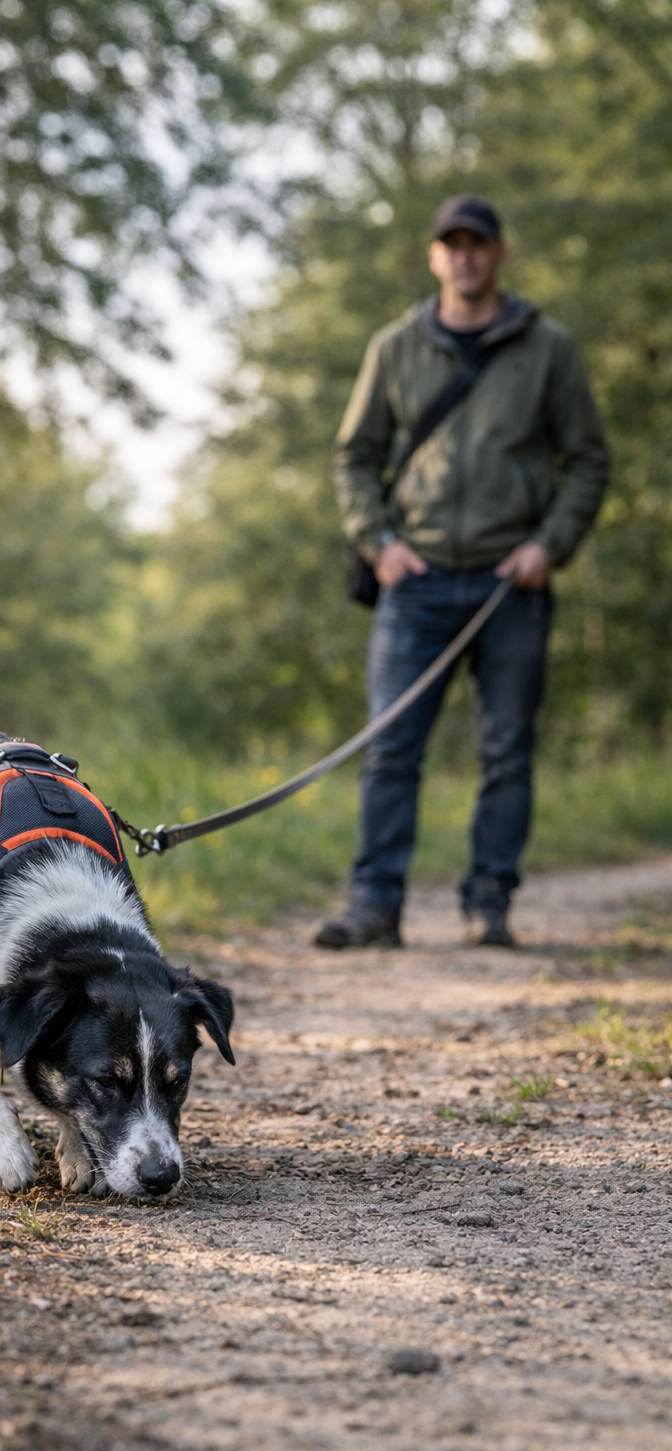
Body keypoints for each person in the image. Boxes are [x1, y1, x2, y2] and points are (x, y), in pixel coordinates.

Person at [318, 195, 608, 949]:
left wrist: (550, 545)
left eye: (477, 243)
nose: (465, 255)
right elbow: (354, 457)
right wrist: (379, 543)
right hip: (415, 581)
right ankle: (375, 905)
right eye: (451, 243)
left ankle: (490, 902)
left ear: (500, 253)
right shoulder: (395, 346)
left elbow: (587, 460)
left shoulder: (549, 347)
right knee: (390, 747)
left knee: (507, 752)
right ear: (434, 256)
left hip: (513, 582)